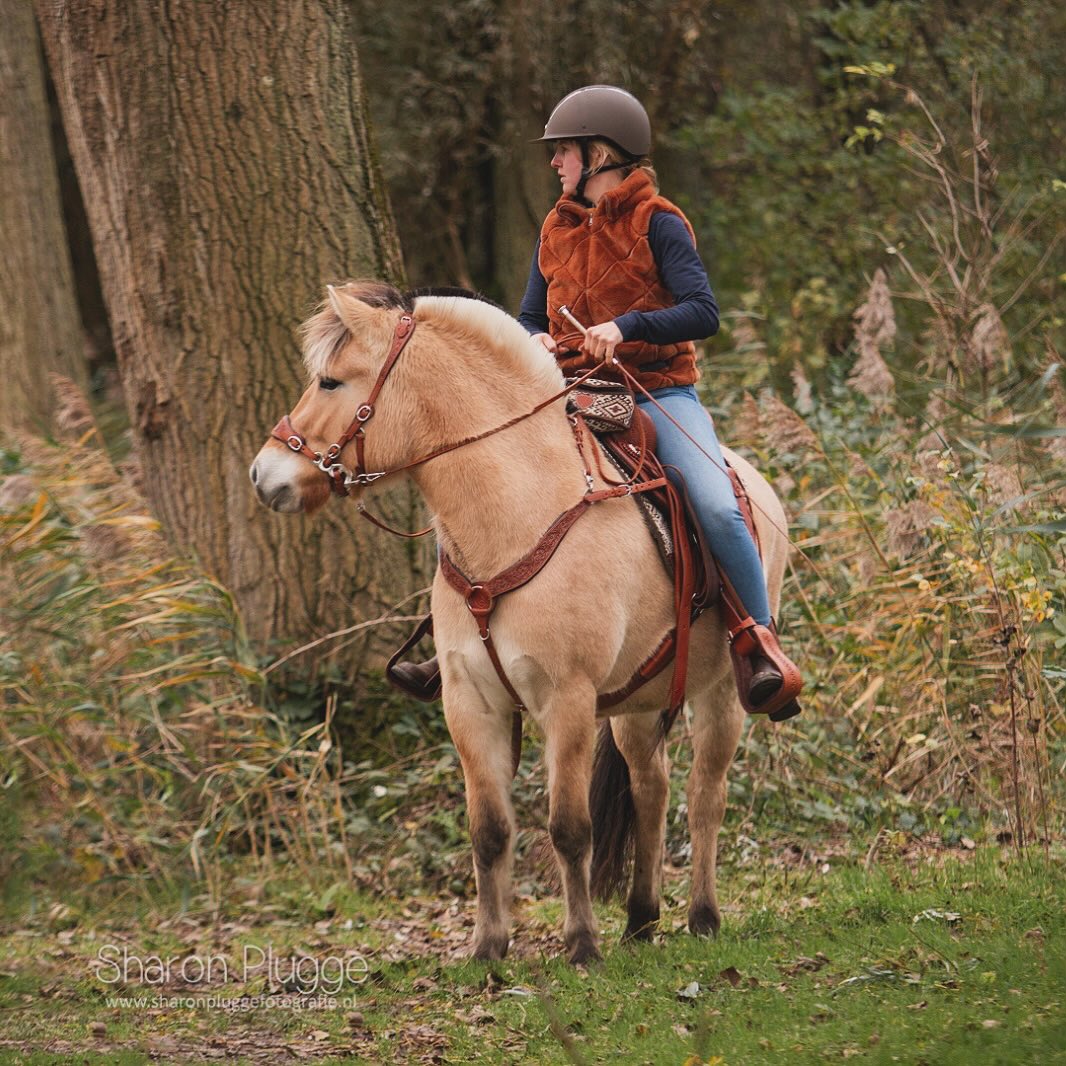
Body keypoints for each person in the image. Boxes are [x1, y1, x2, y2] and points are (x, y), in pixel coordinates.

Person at [392, 85, 799, 712]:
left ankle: (757, 644)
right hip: (567, 391)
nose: (555, 163)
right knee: (478, 482)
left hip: (659, 391)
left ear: (601, 154)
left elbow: (704, 312)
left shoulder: (658, 221)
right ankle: (452, 643)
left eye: (564, 151)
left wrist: (626, 327)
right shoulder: (554, 227)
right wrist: (539, 345)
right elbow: (531, 315)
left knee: (717, 506)